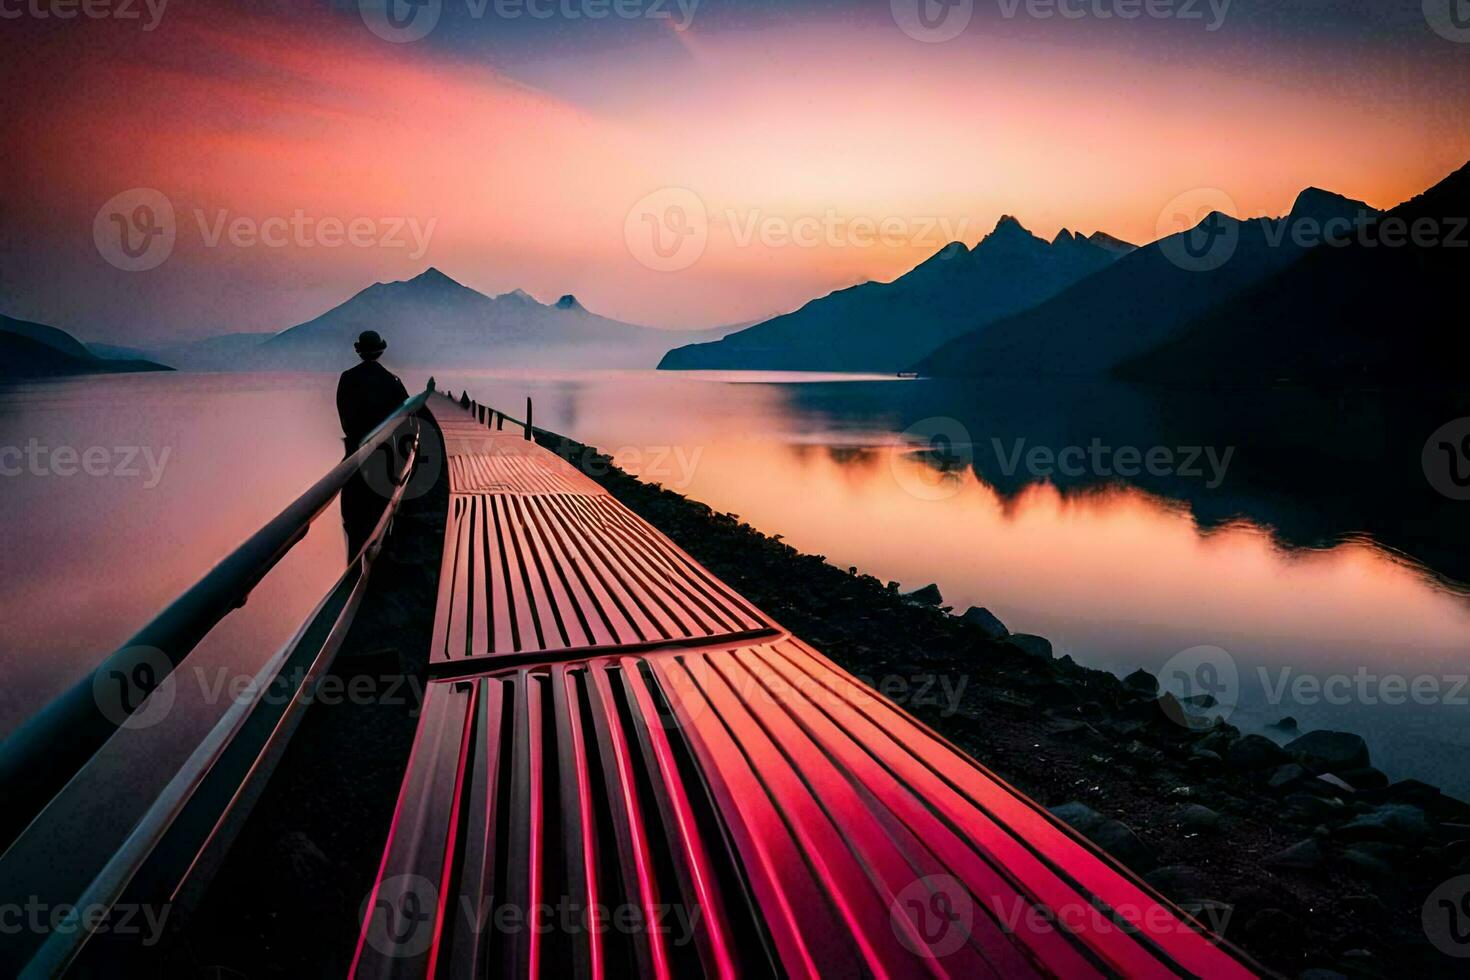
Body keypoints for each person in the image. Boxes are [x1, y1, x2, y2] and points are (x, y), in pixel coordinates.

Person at [337, 330, 410, 560]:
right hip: (384, 459)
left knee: (354, 522)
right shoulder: (392, 381)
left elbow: (345, 419)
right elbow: (404, 419)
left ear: (359, 352)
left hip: (354, 458)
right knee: (379, 516)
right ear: (380, 351)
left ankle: (352, 574)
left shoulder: (347, 378)